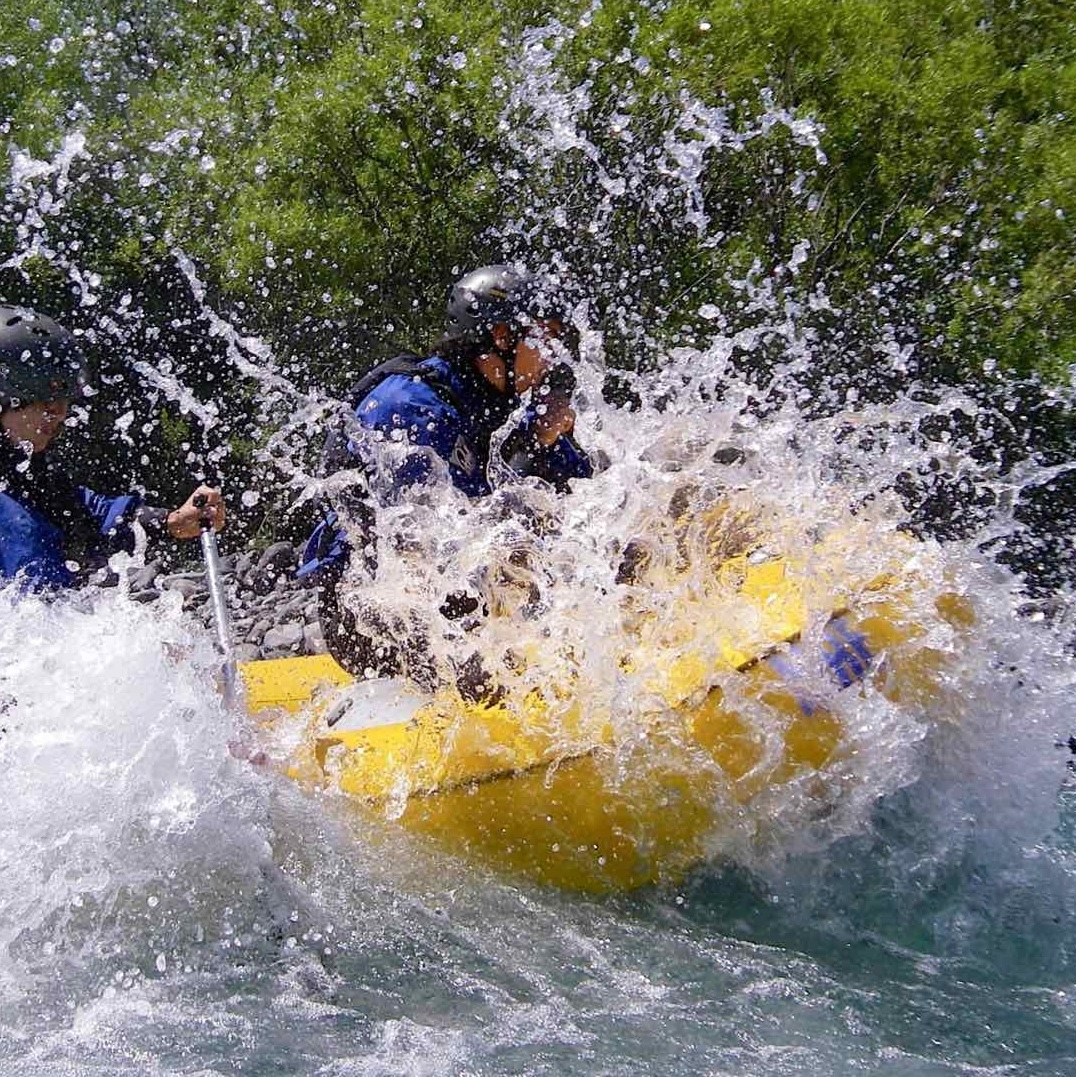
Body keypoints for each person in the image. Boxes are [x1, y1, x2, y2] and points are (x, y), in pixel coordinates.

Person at [299, 265, 593, 682]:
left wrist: (545, 443)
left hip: (456, 597)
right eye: (545, 340)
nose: (555, 357)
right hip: (368, 618)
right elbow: (429, 543)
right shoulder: (409, 407)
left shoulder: (502, 405)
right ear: (501, 338)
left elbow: (584, 495)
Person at [0, 304, 225, 591]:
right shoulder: (12, 510)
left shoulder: (34, 477)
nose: (58, 412)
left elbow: (93, 513)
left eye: (63, 397)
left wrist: (173, 520)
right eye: (42, 397)